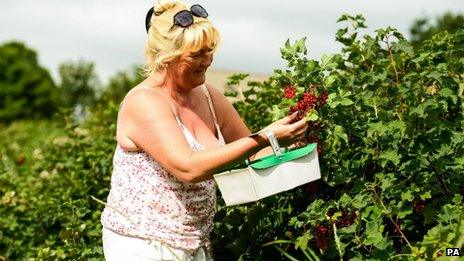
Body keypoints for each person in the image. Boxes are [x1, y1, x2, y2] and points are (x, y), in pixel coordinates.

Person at [100, 0, 308, 260]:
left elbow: (252, 152)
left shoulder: (209, 96)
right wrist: (266, 137)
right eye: (196, 54)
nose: (207, 61)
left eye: (210, 51)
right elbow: (189, 168)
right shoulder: (144, 102)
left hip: (195, 242)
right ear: (167, 57)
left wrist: (296, 143)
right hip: (144, 243)